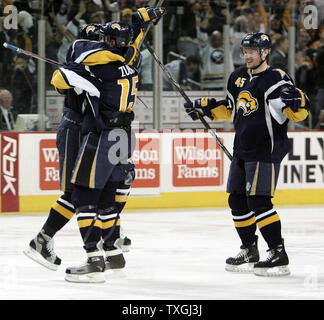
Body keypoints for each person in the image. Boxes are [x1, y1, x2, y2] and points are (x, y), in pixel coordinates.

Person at [50, 6, 166, 283]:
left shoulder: (99, 73)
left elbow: (60, 78)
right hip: (123, 136)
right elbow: (133, 43)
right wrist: (140, 21)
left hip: (101, 135)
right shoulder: (132, 62)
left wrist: (74, 70)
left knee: (83, 194)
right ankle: (113, 249)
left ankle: (93, 258)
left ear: (110, 44)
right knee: (108, 197)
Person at [183, 33, 309, 277]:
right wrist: (206, 108)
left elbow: (296, 112)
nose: (248, 55)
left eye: (253, 51)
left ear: (265, 52)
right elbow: (232, 110)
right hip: (242, 148)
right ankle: (250, 249)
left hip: (265, 149)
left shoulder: (276, 79)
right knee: (237, 200)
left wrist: (300, 102)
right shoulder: (237, 77)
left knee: (259, 201)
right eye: (245, 51)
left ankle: (278, 252)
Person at [23, 23, 133, 273]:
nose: (103, 45)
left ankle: (110, 239)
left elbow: (124, 54)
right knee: (79, 190)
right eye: (99, 40)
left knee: (111, 182)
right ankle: (46, 240)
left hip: (92, 128)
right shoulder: (82, 60)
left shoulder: (100, 66)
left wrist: (137, 22)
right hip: (75, 127)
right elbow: (62, 82)